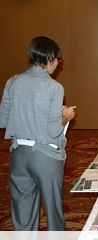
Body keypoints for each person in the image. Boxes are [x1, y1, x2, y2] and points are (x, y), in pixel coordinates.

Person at [0, 36, 76, 230]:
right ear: (49, 58)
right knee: (53, 213)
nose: (58, 63)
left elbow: (3, 120)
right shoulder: (54, 87)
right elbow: (53, 131)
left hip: (18, 155)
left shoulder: (13, 81)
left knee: (22, 214)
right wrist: (66, 116)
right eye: (57, 59)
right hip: (45, 157)